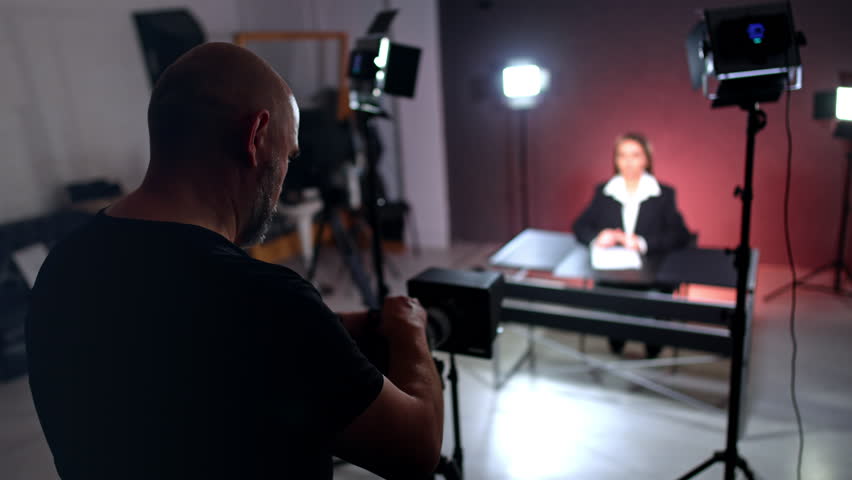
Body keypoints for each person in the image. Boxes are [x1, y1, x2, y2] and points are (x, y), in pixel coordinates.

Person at [26, 43, 443, 480]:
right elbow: (417, 450)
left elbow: (182, 343)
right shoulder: (266, 301)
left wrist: (330, 326)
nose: (284, 177)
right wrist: (409, 328)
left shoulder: (63, 267)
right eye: (288, 157)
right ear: (256, 137)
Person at [572, 133, 691, 357]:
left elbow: (680, 235)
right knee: (613, 311)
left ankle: (652, 350)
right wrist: (599, 236)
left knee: (653, 311)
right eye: (622, 155)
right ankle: (617, 342)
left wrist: (641, 243)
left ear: (646, 159)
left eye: (635, 155)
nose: (628, 162)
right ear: (615, 160)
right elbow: (579, 226)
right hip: (613, 274)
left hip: (651, 274)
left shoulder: (663, 194)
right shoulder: (604, 192)